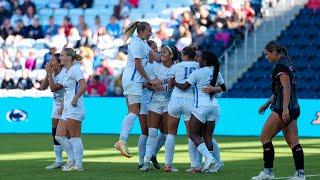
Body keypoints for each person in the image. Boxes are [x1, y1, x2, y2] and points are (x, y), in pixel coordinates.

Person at [252, 41, 305, 180]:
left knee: (264, 137)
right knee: (293, 142)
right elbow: (282, 89)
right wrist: (266, 103)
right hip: (294, 107)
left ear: (275, 52)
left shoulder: (280, 66)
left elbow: (286, 87)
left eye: (267, 54)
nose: (266, 57)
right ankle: (300, 174)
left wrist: (285, 108)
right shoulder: (288, 62)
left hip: (283, 108)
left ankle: (268, 172)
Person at [113, 21, 160, 158]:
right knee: (134, 111)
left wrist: (173, 57)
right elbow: (138, 65)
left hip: (133, 81)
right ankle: (122, 140)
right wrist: (149, 79)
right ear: (140, 32)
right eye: (148, 31)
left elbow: (156, 57)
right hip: (133, 80)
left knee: (132, 111)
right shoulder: (135, 43)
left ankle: (122, 140)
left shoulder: (143, 43)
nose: (150, 33)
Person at [173, 50, 220, 172]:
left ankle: (210, 158)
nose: (197, 59)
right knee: (208, 136)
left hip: (201, 107)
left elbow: (184, 87)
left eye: (199, 58)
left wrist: (174, 83)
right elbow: (223, 87)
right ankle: (211, 165)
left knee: (193, 134)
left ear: (204, 61)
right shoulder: (215, 71)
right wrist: (214, 88)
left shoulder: (198, 72)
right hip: (214, 106)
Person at [139, 45, 179, 171]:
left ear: (171, 56)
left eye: (164, 52)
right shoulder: (155, 66)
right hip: (155, 102)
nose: (161, 54)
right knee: (152, 132)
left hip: (169, 103)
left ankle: (168, 164)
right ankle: (145, 162)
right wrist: (154, 86)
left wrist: (171, 85)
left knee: (168, 134)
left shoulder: (176, 67)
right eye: (161, 52)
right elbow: (147, 84)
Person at [165, 46, 199, 172]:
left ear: (184, 55)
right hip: (191, 100)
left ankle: (168, 165)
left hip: (176, 99)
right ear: (194, 56)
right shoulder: (198, 66)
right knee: (191, 135)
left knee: (171, 133)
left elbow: (170, 84)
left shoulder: (176, 66)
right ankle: (194, 165)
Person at [55, 48, 86, 171]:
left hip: (75, 107)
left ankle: (78, 165)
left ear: (69, 57)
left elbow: (83, 85)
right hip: (67, 108)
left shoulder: (75, 70)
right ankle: (72, 160)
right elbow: (67, 91)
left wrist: (75, 98)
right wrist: (62, 104)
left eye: (62, 55)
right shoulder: (67, 71)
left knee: (75, 137)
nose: (60, 58)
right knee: (59, 136)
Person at [41, 53, 67, 170]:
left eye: (53, 60)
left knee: (67, 134)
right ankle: (59, 161)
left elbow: (53, 88)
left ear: (59, 62)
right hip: (56, 105)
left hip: (66, 104)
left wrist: (49, 74)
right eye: (49, 60)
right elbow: (43, 87)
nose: (50, 62)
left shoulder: (64, 74)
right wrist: (48, 74)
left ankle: (73, 159)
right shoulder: (52, 73)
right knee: (55, 133)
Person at [137, 40, 160, 169]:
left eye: (157, 48)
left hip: (158, 101)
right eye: (153, 48)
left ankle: (152, 153)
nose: (156, 50)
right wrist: (150, 84)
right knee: (145, 131)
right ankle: (141, 161)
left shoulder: (158, 65)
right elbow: (138, 83)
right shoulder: (142, 65)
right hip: (144, 101)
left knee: (165, 132)